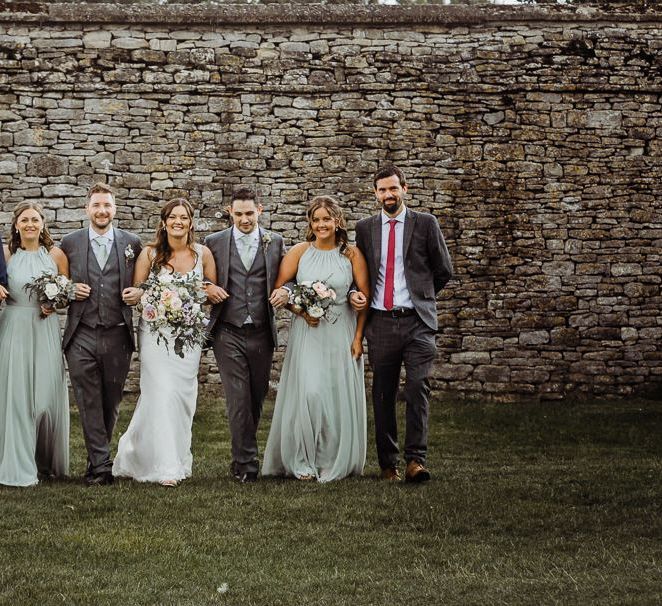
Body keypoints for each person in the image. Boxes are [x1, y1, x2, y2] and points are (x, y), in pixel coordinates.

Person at [354, 165, 453, 483]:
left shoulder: (425, 224)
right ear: (375, 194)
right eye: (382, 190)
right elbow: (361, 273)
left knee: (417, 387)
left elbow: (443, 270)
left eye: (393, 189)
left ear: (405, 189)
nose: (388, 195)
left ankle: (416, 461)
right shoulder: (365, 228)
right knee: (382, 392)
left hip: (417, 323)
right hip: (381, 323)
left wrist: (421, 297)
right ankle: (388, 465)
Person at [262, 195, 369, 483]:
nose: (322, 224)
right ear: (310, 223)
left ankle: (329, 460)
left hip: (341, 332)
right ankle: (302, 460)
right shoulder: (300, 252)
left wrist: (358, 338)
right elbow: (280, 290)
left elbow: (363, 297)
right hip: (308, 332)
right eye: (316, 219)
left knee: (334, 396)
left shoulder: (352, 254)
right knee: (310, 393)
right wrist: (299, 309)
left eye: (327, 219)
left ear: (337, 221)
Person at [113, 198, 217, 486]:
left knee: (182, 397)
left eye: (184, 217)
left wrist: (209, 290)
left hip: (188, 337)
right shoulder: (149, 254)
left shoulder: (203, 254)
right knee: (159, 392)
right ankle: (166, 466)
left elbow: (208, 292)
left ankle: (158, 454)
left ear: (191, 222)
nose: (178, 222)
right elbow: (138, 290)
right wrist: (140, 297)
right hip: (156, 334)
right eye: (173, 217)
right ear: (164, 222)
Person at [60, 183, 142, 486]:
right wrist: (69, 289)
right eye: (96, 205)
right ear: (87, 209)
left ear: (114, 209)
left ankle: (97, 460)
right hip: (81, 332)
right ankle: (101, 467)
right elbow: (54, 281)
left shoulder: (132, 243)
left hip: (118, 334)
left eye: (107, 205)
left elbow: (146, 281)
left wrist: (140, 292)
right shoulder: (69, 243)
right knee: (88, 400)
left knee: (111, 400)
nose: (102, 211)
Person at [204, 188, 288, 483]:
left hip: (262, 331)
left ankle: (242, 454)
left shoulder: (275, 242)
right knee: (238, 397)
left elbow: (287, 276)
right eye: (238, 214)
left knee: (256, 396)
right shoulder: (213, 243)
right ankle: (246, 464)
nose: (244, 219)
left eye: (249, 213)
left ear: (260, 210)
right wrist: (206, 287)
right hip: (228, 330)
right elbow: (199, 275)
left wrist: (286, 290)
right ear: (230, 212)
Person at [0, 202, 69, 486]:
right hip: (14, 328)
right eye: (24, 219)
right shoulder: (6, 254)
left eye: (35, 219)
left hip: (44, 329)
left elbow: (66, 292)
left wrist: (55, 303)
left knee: (43, 399)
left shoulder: (56, 254)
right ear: (16, 224)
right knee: (16, 397)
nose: (30, 224)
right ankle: (17, 464)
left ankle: (44, 461)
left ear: (43, 223)